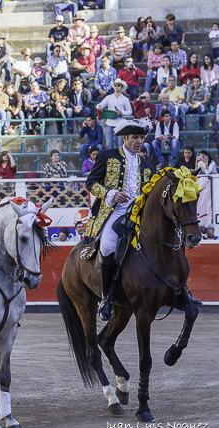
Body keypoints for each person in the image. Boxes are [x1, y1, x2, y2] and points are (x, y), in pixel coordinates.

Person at [85, 118, 155, 321]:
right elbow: (91, 183)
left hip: (140, 213)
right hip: (114, 211)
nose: (139, 141)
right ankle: (106, 298)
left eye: (142, 137)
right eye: (135, 137)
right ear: (124, 138)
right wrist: (111, 194)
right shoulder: (107, 156)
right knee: (107, 246)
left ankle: (179, 289)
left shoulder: (148, 166)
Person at [96, 78, 132, 147]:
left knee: (119, 144)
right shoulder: (108, 97)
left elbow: (130, 111)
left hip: (120, 123)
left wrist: (122, 112)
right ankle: (110, 158)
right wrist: (99, 106)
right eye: (115, 85)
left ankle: (119, 157)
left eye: (118, 85)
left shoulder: (125, 99)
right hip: (110, 123)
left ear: (121, 87)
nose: (116, 87)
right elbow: (101, 104)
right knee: (109, 144)